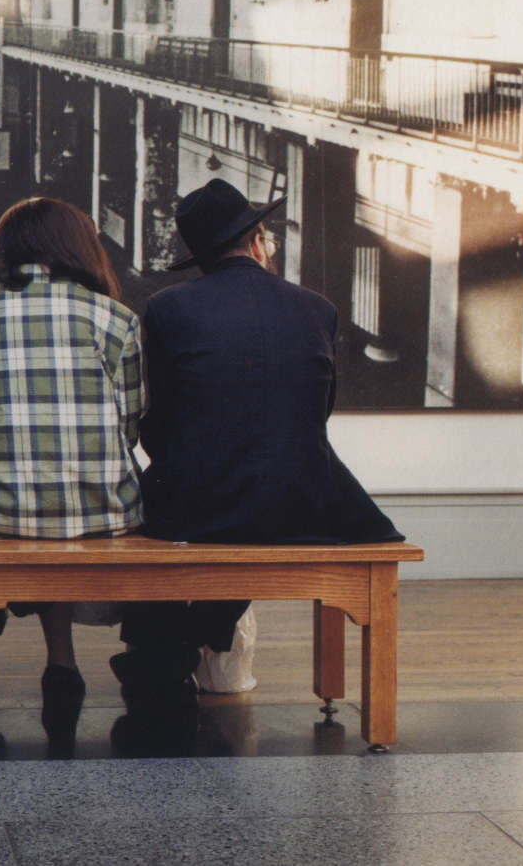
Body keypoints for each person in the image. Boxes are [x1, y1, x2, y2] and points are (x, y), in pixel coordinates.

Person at [114, 177, 404, 716]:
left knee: (163, 508)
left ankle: (164, 649)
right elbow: (314, 415)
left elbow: (157, 424)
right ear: (258, 241)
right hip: (307, 498)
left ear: (200, 259)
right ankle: (207, 629)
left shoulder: (167, 310)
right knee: (251, 497)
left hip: (200, 502)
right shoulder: (317, 309)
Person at [0, 197, 145, 737]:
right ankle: (62, 665)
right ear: (79, 247)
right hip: (97, 510)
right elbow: (130, 423)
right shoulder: (116, 318)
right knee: (58, 510)